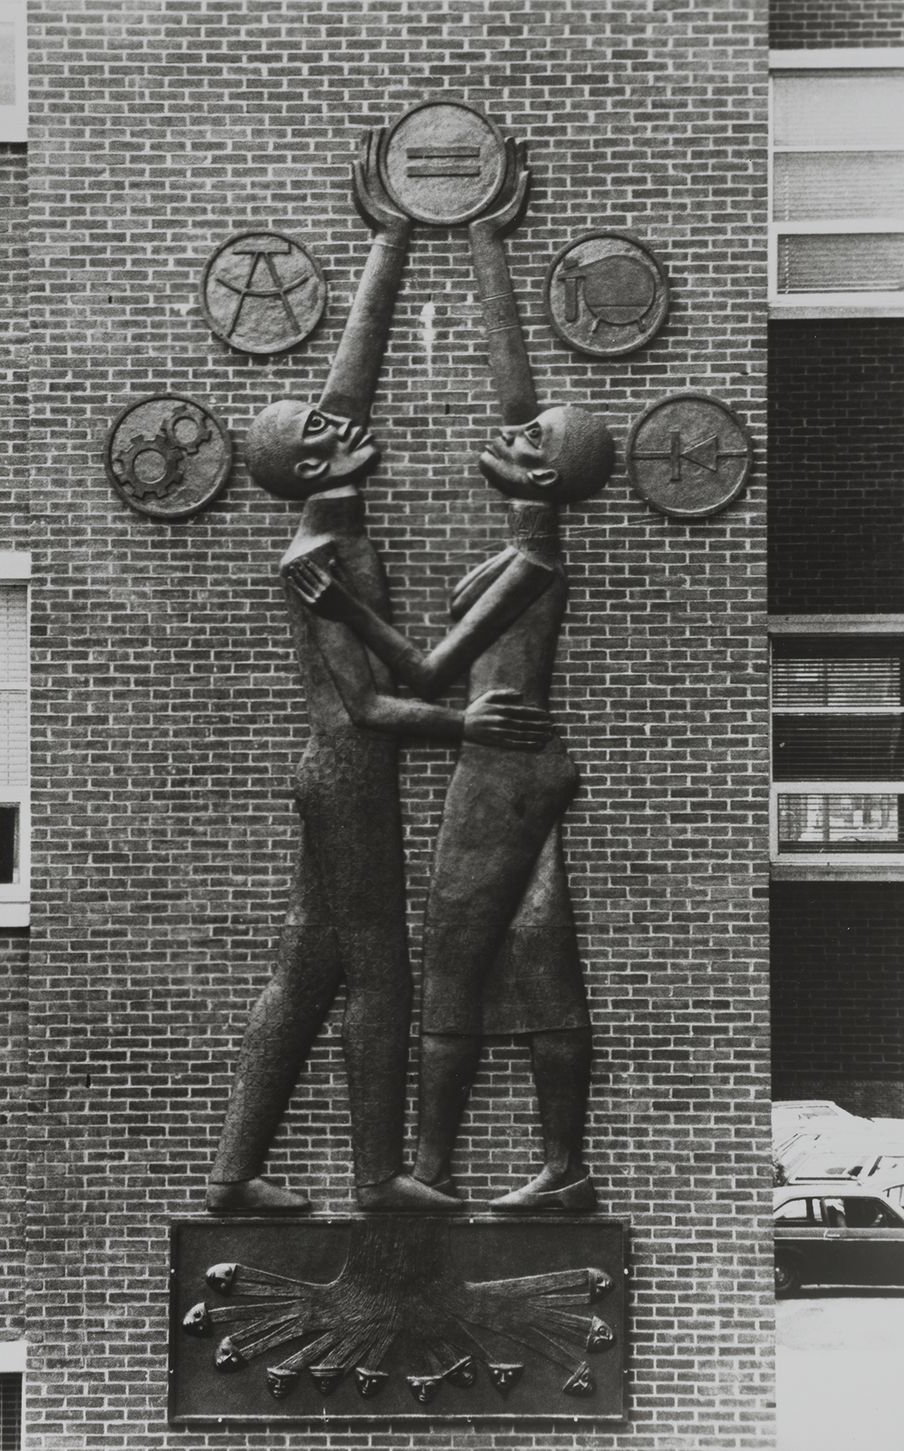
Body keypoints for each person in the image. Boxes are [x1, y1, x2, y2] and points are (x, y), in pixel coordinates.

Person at [206, 133, 552, 1215]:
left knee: (307, 970)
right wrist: (467, 728)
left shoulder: (329, 522)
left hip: (335, 768)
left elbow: (345, 394)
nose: (343, 425)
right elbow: (368, 701)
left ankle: (230, 1176)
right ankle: (374, 1176)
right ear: (308, 470)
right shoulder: (320, 556)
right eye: (322, 434)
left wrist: (399, 242)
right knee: (381, 973)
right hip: (351, 768)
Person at [289, 143, 615, 1209]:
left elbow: (427, 667)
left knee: (449, 967)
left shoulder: (530, 560)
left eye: (527, 445)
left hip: (500, 765)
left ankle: (426, 1172)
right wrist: (482, 240)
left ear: (541, 479)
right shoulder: (539, 523)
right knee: (539, 954)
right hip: (522, 767)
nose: (508, 434)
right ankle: (562, 1169)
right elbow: (526, 410)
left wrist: (344, 608)